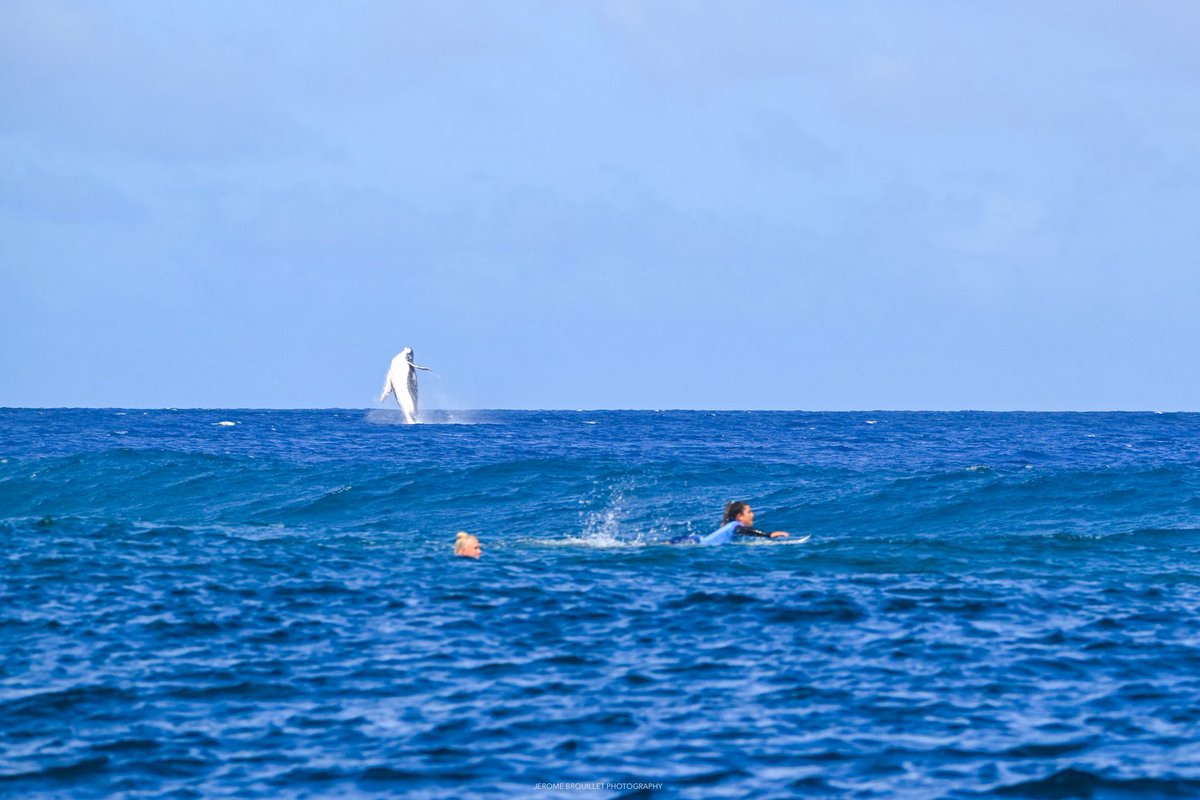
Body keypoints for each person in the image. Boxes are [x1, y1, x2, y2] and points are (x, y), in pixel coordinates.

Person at [669, 501, 790, 545]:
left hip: (693, 539)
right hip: (691, 542)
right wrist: (768, 535)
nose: (752, 515)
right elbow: (743, 531)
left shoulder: (730, 525)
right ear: (739, 516)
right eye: (749, 512)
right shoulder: (736, 526)